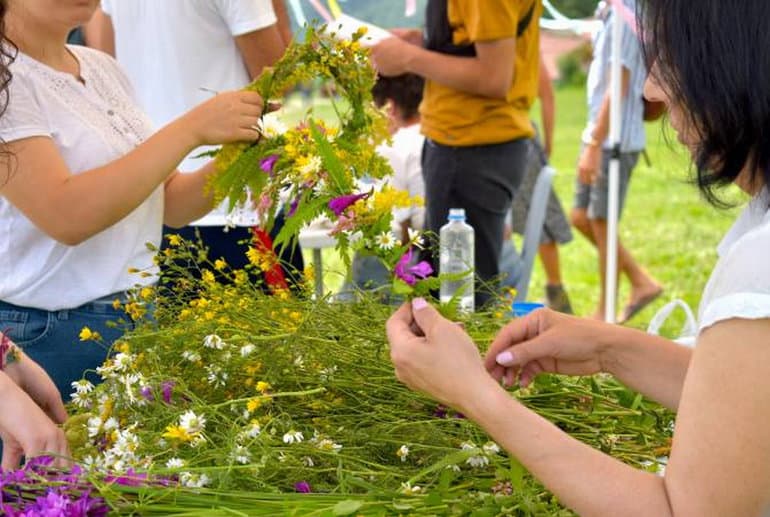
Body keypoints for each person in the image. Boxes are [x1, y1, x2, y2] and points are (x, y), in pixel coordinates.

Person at [387, 0, 770, 514]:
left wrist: (475, 395)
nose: (650, 87)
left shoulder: (759, 264)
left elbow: (679, 510)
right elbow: (743, 402)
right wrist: (609, 349)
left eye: (672, 61)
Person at [0, 0, 267, 398]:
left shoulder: (102, 68)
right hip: (49, 336)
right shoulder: (9, 76)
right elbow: (65, 215)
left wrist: (246, 155)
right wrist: (193, 129)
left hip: (139, 316)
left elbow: (172, 203)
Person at [88, 1, 304, 288]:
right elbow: (278, 80)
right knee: (280, 329)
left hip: (152, 201)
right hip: (231, 203)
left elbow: (105, 67)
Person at [371, 0, 542, 308]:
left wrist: (409, 58)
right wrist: (424, 44)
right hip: (463, 145)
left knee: (459, 302)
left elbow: (494, 76)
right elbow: (481, 44)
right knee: (445, 289)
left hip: (470, 148)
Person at [570, 0, 661, 322]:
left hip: (614, 139)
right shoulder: (609, 11)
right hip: (599, 134)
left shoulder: (629, 15)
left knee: (601, 220)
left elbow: (619, 85)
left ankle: (604, 312)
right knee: (581, 216)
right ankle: (641, 281)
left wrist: (595, 144)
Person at [501, 54, 574, 313]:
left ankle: (558, 296)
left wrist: (549, 144)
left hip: (518, 139)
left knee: (539, 221)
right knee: (527, 221)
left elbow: (548, 95)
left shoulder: (524, 44)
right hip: (511, 138)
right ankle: (555, 296)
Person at [348, 73, 426, 293]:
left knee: (369, 252)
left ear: (389, 108)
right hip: (477, 257)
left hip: (411, 267)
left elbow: (396, 227)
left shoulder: (394, 147)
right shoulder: (438, 135)